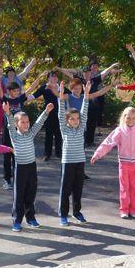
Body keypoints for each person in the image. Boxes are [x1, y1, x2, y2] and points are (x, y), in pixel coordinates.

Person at [3, 100, 54, 231]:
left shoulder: (31, 134)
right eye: (23, 122)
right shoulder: (14, 135)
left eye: (27, 122)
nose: (26, 124)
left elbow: (38, 123)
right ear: (17, 124)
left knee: (30, 194)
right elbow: (9, 125)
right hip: (20, 169)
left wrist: (46, 112)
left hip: (32, 167)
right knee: (19, 195)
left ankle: (31, 218)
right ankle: (17, 221)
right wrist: (8, 113)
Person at [0, 77, 42, 191]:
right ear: (10, 91)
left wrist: (39, 78)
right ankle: (7, 179)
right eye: (14, 91)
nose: (17, 93)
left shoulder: (21, 98)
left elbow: (31, 88)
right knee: (7, 155)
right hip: (9, 132)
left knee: (16, 155)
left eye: (18, 91)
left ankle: (18, 178)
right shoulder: (5, 100)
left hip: (20, 133)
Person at [56, 81, 91, 226]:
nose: (76, 121)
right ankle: (63, 215)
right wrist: (60, 96)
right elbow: (60, 113)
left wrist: (87, 94)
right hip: (68, 162)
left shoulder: (81, 126)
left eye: (77, 119)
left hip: (80, 161)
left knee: (78, 189)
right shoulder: (64, 129)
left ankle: (77, 212)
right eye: (72, 119)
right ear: (67, 120)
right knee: (66, 189)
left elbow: (85, 109)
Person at [32, 70, 63, 161]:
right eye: (52, 76)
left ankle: (59, 152)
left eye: (56, 76)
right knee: (49, 134)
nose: (54, 78)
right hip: (48, 113)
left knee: (58, 133)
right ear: (48, 78)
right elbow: (34, 95)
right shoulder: (44, 87)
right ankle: (47, 154)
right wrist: (23, 99)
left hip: (59, 113)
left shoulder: (60, 87)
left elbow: (71, 95)